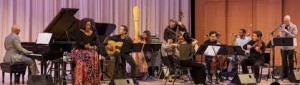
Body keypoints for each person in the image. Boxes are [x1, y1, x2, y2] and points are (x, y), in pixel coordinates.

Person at [71, 18, 101, 85]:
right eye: (87, 25)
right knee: (88, 55)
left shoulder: (92, 32)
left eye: (89, 25)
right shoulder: (79, 32)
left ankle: (91, 80)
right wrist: (86, 46)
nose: (88, 26)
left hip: (89, 50)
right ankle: (82, 79)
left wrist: (95, 46)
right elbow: (78, 44)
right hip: (79, 50)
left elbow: (96, 42)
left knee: (95, 54)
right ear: (83, 25)